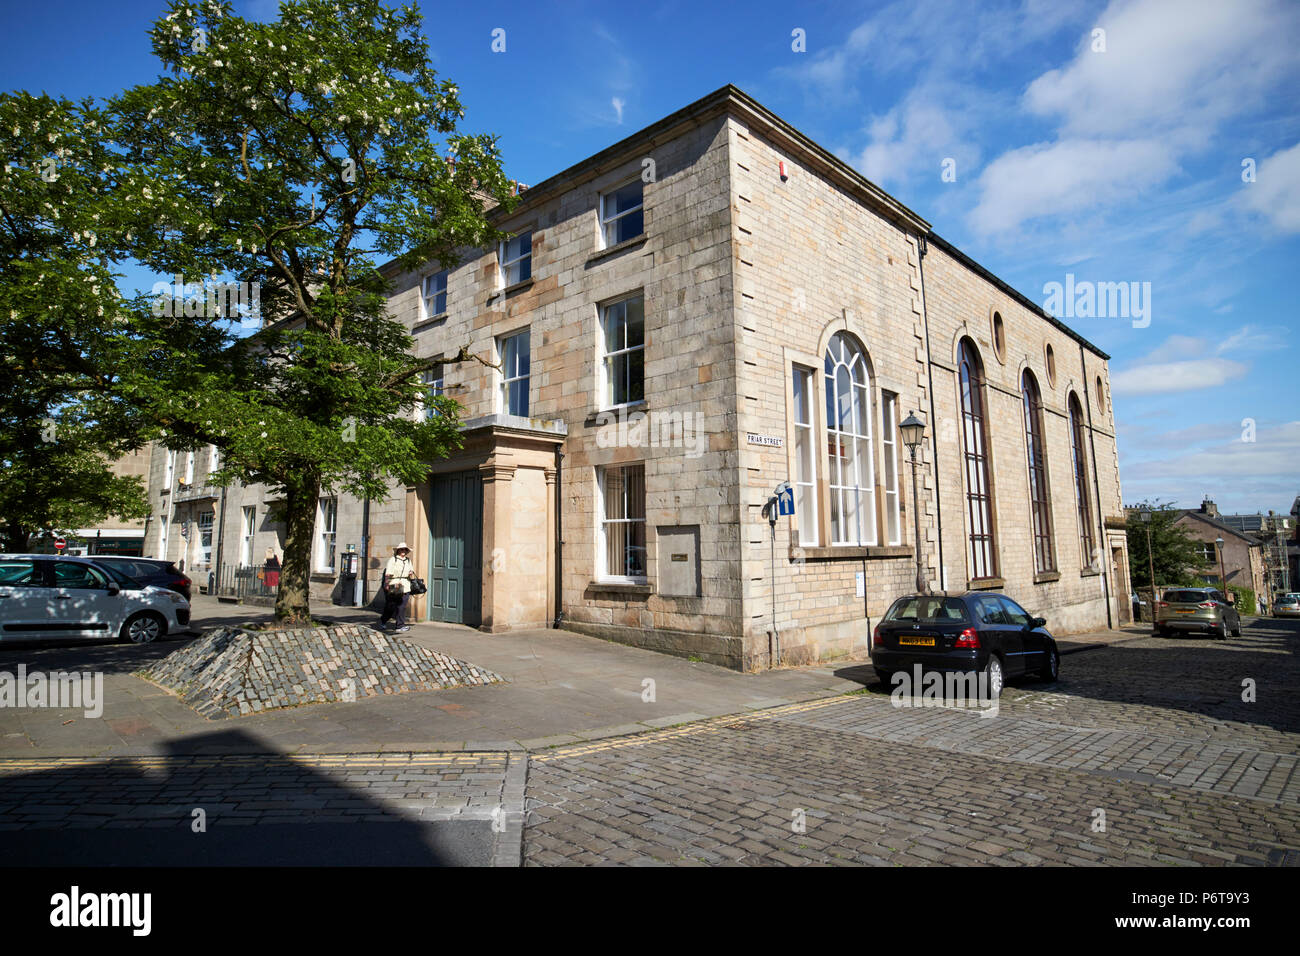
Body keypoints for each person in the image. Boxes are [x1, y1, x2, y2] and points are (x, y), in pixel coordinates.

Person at [379, 542, 416, 632]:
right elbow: (388, 573)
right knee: (391, 606)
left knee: (402, 606)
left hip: (405, 585)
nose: (403, 551)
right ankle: (383, 621)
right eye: (401, 549)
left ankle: (400, 625)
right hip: (394, 584)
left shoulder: (408, 560)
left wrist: (411, 574)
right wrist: (387, 584)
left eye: (405, 549)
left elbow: (412, 573)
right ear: (398, 550)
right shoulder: (393, 560)